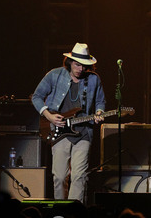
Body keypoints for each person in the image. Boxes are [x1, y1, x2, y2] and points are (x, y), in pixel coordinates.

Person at [32, 43, 106, 203]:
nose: (80, 69)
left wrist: (99, 112)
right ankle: (60, 211)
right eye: (77, 64)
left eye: (84, 66)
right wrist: (49, 116)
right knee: (59, 176)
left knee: (79, 176)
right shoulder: (54, 75)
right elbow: (36, 96)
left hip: (84, 133)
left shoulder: (93, 79)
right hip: (60, 133)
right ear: (69, 62)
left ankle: (74, 212)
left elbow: (100, 101)